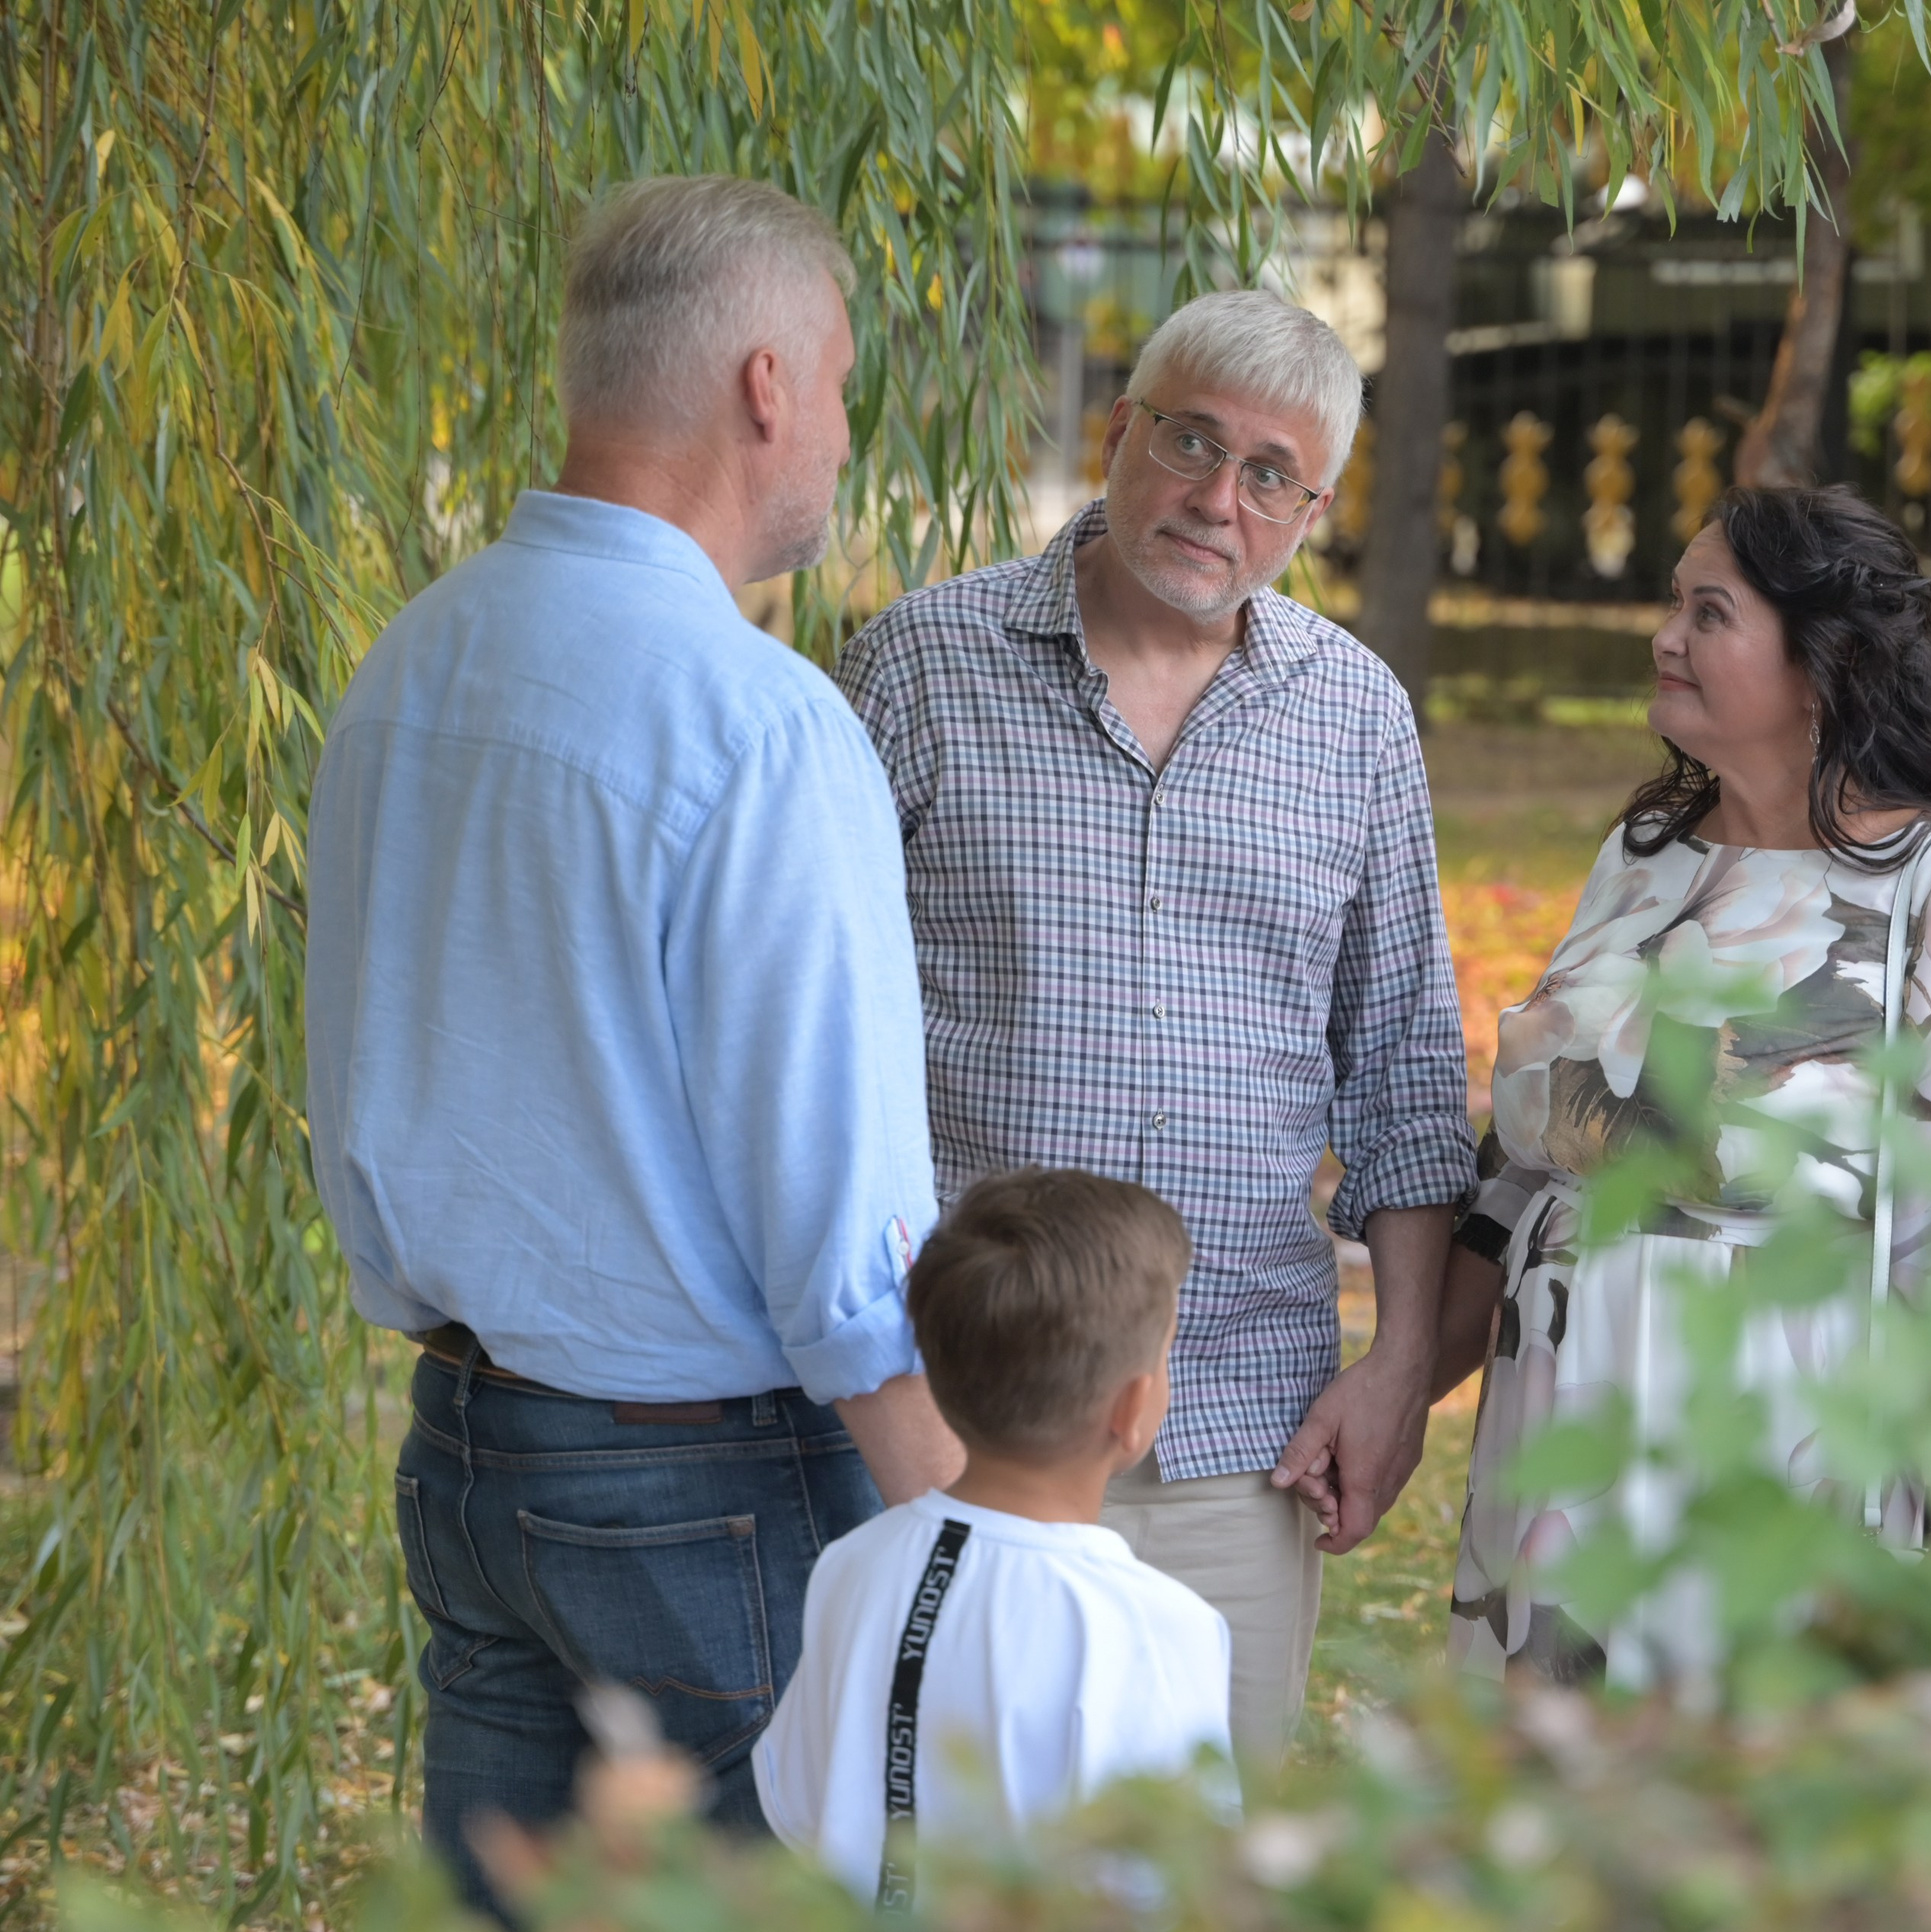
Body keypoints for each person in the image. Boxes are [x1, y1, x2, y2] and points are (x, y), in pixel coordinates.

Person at [303, 176, 962, 1903]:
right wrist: (969, 1527)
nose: (834, 427)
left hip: (467, 1445)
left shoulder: (413, 662)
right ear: (762, 388)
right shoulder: (757, 723)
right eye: (833, 378)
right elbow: (838, 1208)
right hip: (709, 1475)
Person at [836, 290, 1477, 1759]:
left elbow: (1404, 1071)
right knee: (942, 1858)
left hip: (1233, 1423)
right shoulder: (920, 672)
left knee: (1193, 1870)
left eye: (1270, 474)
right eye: (1191, 441)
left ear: (1314, 508)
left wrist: (1392, 1374)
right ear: (1119, 431)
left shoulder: (1357, 720)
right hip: (954, 1412)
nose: (1216, 499)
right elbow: (815, 1040)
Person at [1432, 485, 1931, 1689]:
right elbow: (1528, 1169)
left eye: (1709, 612)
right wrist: (1395, 1388)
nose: (1666, 636)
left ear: (1819, 666)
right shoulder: (1641, 861)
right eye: (1672, 602)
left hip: (1787, 1448)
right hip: (1567, 1427)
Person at [755, 1169, 1234, 1903]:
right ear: (1132, 1406)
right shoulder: (1153, 1627)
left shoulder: (851, 1566)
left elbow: (797, 1807)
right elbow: (1178, 1888)